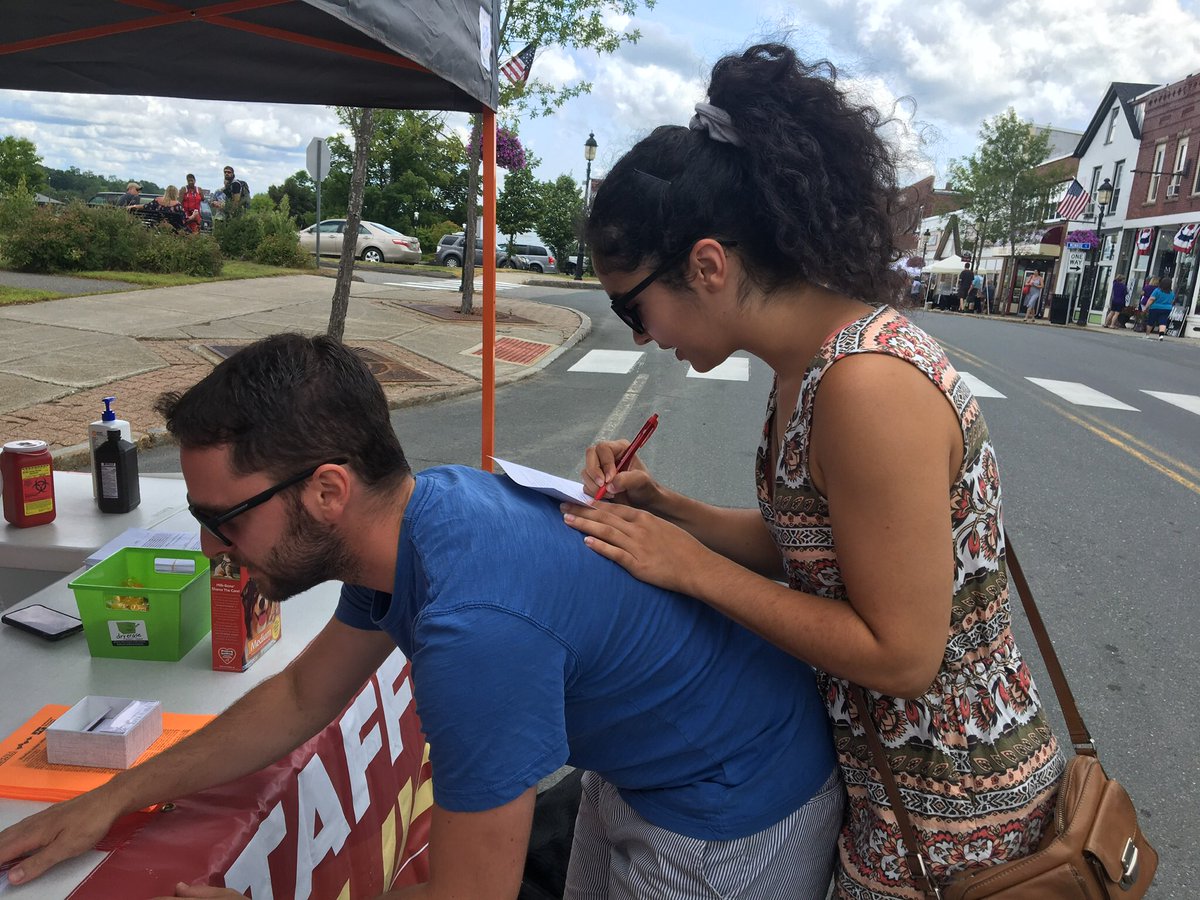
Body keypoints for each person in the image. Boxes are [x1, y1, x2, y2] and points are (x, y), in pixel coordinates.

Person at [0, 334, 842, 899]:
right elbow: (302, 698)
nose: (212, 547)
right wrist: (117, 796)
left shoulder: (475, 630)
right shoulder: (413, 518)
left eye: (224, 518)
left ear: (328, 491)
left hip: (730, 814)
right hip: (653, 769)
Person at [559, 43, 1064, 899]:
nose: (639, 337)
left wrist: (694, 572)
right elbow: (814, 547)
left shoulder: (865, 383)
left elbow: (901, 653)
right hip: (889, 792)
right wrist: (670, 510)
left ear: (708, 265)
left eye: (630, 306)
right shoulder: (805, 370)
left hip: (952, 819)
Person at [1143, 274, 1175, 340]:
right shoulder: (1171, 293)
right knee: (1163, 321)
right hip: (1167, 308)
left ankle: (1147, 335)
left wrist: (1146, 307)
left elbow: (1151, 299)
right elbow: (1172, 301)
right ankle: (1161, 335)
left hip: (1155, 307)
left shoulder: (1157, 290)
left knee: (1151, 321)